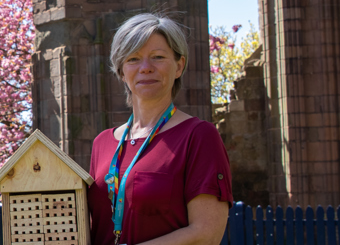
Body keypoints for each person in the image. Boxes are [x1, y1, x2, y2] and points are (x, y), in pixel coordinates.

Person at [88, 13, 233, 245]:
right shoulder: (102, 143)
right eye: (133, 59)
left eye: (157, 57)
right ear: (121, 71)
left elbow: (206, 234)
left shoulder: (198, 136)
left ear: (179, 66)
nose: (146, 68)